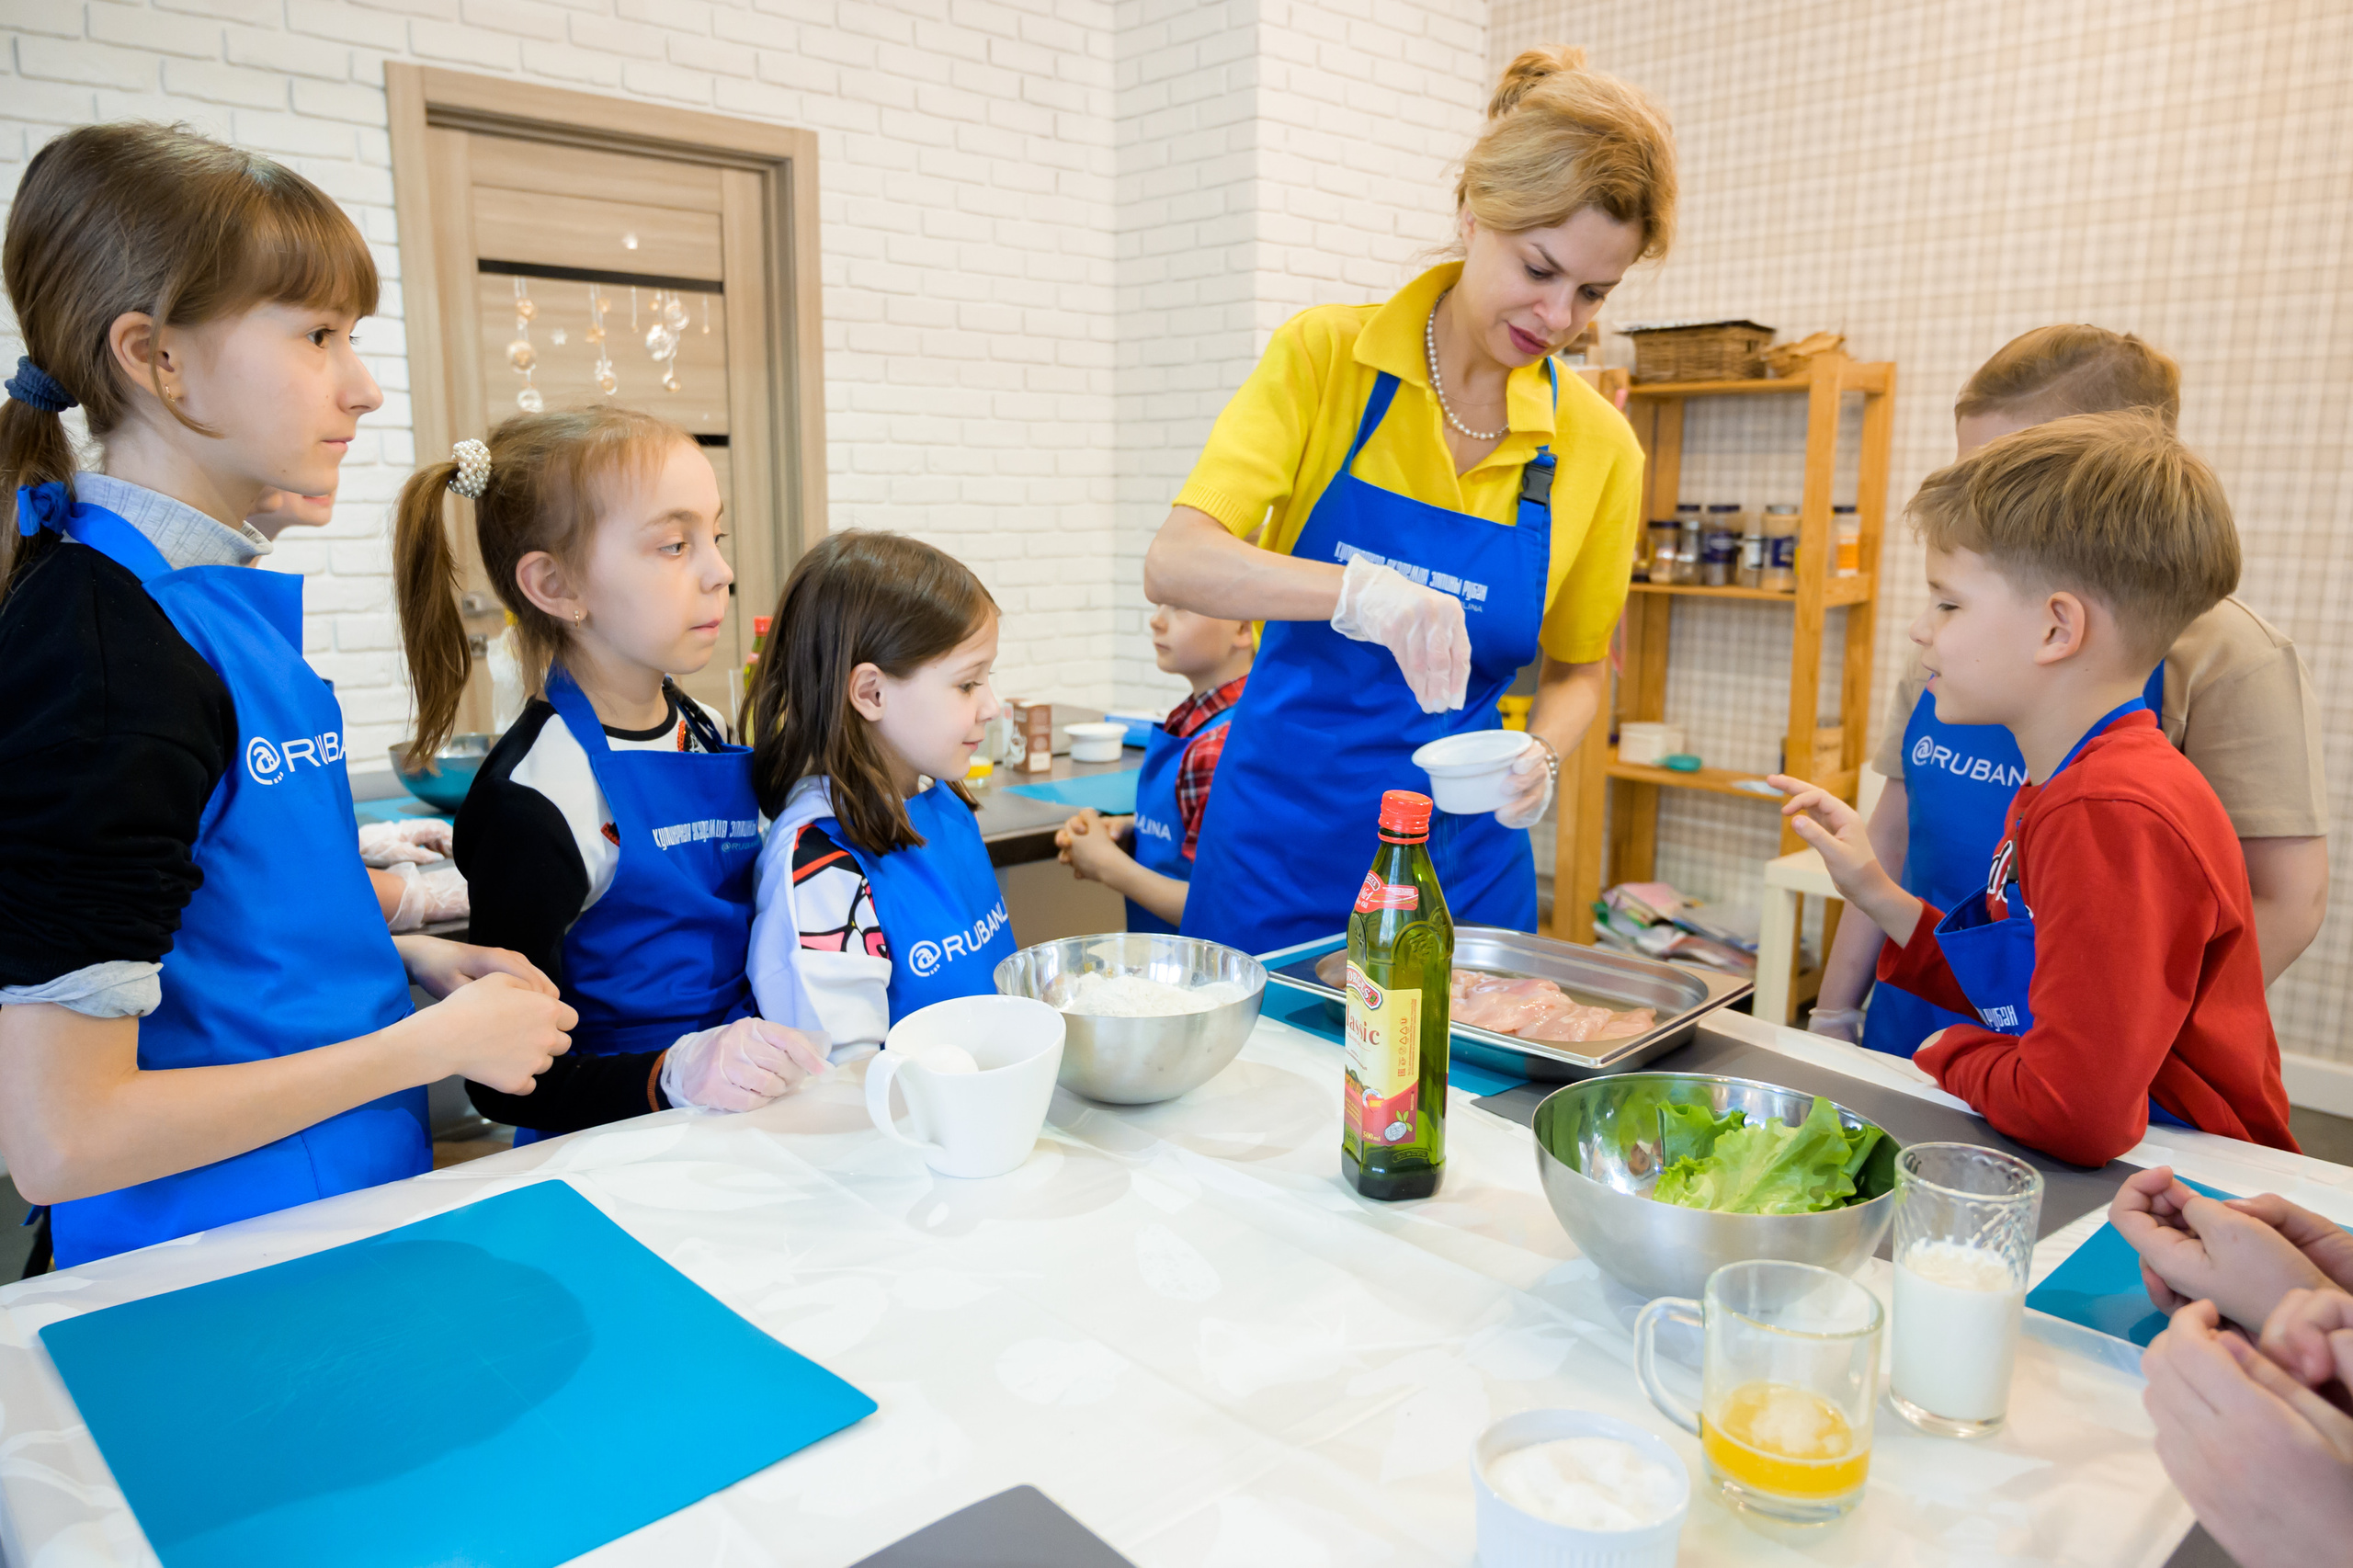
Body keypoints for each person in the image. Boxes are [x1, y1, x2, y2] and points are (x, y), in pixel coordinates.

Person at [0, 123, 575, 1268]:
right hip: (207, 1265)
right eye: (318, 335)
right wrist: (430, 1046)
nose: (360, 388)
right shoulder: (108, 651)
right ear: (154, 356)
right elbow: (61, 1137)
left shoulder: (202, 606)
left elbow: (219, 919)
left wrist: (405, 962)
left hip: (325, 1221)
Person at [1142, 45, 1671, 957]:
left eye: (1592, 292)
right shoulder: (1326, 359)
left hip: (1461, 872)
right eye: (1538, 268)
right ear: (1473, 212)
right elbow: (1178, 557)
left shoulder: (1597, 447)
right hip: (1280, 855)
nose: (1558, 318)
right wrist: (1361, 596)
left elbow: (1580, 672)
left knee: (1451, 1100)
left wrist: (1538, 751)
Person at [1773, 412, 2297, 1167]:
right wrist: (1874, 887)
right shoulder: (2068, 778)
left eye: (1948, 603)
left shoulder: (2109, 813)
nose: (1922, 630)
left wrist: (1947, 1050)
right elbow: (2025, 987)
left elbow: (2073, 1110)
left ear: (2057, 630)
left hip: (2177, 1171)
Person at [1809, 326, 2328, 1055]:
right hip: (1922, 1014)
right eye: (1974, 468)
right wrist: (1835, 1016)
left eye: (2018, 470)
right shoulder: (1955, 634)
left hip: (2074, 1057)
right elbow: (1893, 837)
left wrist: (2118, 1046)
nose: (1984, 499)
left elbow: (2286, 898)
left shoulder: (2226, 658)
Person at [394, 410, 827, 1139]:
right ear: (556, 585)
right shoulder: (534, 799)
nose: (721, 572)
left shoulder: (700, 731)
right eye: (673, 545)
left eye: (715, 538)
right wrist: (675, 1075)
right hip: (617, 1156)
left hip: (746, 1117)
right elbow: (511, 1087)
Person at [745, 531, 1013, 1053]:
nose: (991, 706)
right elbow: (844, 1079)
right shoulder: (821, 865)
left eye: (988, 677)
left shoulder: (942, 801)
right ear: (871, 693)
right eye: (967, 684)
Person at [1055, 603, 1253, 931]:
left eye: (1181, 607)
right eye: (1160, 605)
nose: (1156, 620)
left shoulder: (1216, 747)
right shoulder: (1195, 717)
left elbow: (1219, 908)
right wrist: (1137, 826)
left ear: (1243, 628)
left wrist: (1107, 865)